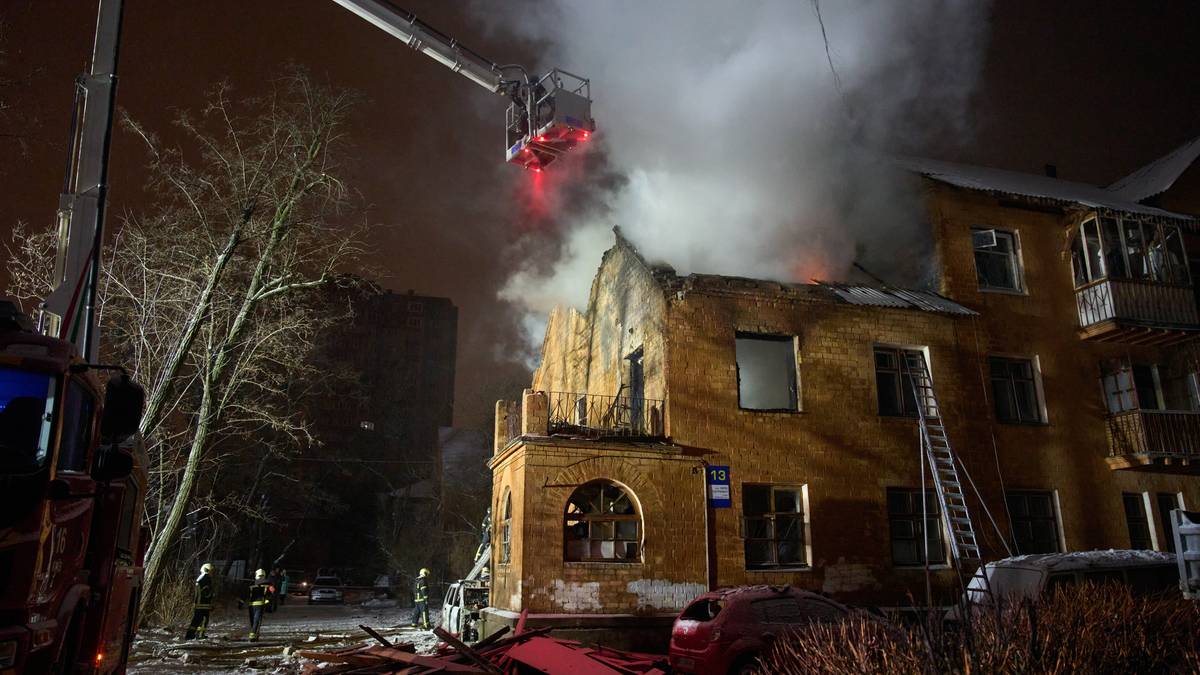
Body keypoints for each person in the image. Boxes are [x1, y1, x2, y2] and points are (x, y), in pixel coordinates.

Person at [239, 569, 273, 640]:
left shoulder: (251, 584)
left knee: (252, 619)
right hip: (260, 605)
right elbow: (272, 592)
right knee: (257, 620)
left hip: (251, 605)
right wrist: (268, 602)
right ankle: (253, 634)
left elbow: (245, 594)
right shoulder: (268, 584)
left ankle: (253, 633)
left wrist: (241, 602)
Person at [185, 562, 214, 640]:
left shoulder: (200, 578)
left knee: (196, 620)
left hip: (200, 604)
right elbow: (205, 593)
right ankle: (200, 635)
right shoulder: (206, 579)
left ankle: (190, 635)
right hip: (203, 604)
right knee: (204, 620)